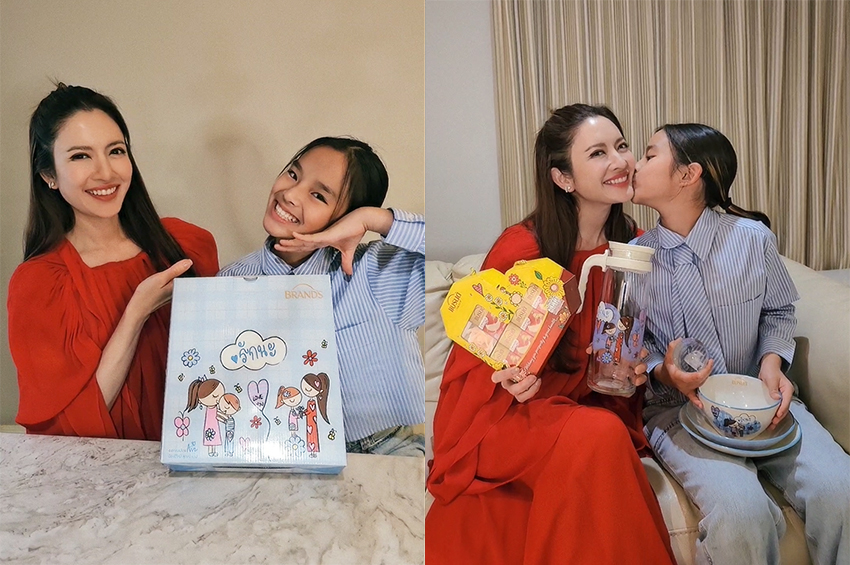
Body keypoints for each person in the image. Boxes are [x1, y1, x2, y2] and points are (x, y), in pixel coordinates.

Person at [426, 104, 676, 564]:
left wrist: (636, 370)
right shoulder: (523, 249)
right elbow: (476, 367)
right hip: (505, 419)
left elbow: (626, 347)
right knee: (599, 436)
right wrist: (509, 378)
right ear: (563, 178)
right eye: (598, 153)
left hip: (588, 407)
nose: (620, 161)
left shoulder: (633, 246)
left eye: (622, 146)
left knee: (601, 433)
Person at [630, 123, 850, 565]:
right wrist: (663, 371)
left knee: (840, 489)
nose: (635, 165)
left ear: (688, 174)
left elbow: (779, 312)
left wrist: (772, 363)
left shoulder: (753, 240)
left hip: (762, 398)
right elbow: (638, 344)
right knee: (740, 514)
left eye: (649, 155)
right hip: (678, 410)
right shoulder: (636, 258)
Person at [7, 83, 219, 440]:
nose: (106, 173)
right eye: (80, 156)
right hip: (110, 470)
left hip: (200, 455)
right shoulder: (39, 284)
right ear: (49, 175)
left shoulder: (186, 245)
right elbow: (68, 433)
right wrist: (136, 313)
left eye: (116, 151)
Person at [217, 136, 424, 457]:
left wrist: (371, 219)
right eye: (293, 174)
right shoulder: (230, 281)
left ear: (345, 218)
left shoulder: (379, 270)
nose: (289, 194)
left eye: (318, 195)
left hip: (385, 447)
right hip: (282, 448)